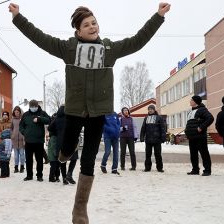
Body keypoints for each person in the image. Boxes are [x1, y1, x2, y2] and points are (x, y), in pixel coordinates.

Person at [9, 3, 170, 223]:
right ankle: (67, 149)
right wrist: (18, 17)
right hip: (75, 110)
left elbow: (137, 41)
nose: (92, 27)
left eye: (94, 22)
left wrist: (158, 16)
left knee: (88, 159)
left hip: (98, 113)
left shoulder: (109, 50)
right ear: (78, 31)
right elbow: (39, 38)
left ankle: (79, 209)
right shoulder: (69, 49)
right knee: (65, 149)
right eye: (86, 25)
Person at [19, 99, 50, 182]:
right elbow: (21, 126)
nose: (33, 108)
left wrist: (40, 119)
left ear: (37, 106)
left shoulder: (42, 113)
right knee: (28, 159)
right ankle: (29, 175)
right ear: (29, 107)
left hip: (39, 141)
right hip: (28, 141)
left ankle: (39, 175)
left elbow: (49, 120)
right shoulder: (25, 114)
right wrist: (24, 132)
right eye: (32, 106)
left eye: (35, 106)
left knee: (39, 159)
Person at [185, 95, 214, 176]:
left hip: (200, 137)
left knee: (204, 154)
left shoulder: (202, 109)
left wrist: (201, 127)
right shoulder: (191, 111)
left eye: (191, 100)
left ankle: (207, 170)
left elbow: (210, 118)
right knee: (193, 154)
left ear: (195, 101)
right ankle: (195, 170)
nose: (190, 101)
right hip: (192, 137)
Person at [140, 105, 166, 172]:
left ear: (154, 110)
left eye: (151, 109)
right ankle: (147, 168)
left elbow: (163, 128)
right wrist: (142, 137)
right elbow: (143, 129)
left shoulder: (159, 118)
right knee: (148, 154)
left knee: (158, 154)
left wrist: (163, 137)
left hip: (157, 139)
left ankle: (160, 168)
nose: (150, 110)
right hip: (148, 140)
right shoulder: (146, 118)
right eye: (149, 109)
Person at [47, 106, 69, 185]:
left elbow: (49, 128)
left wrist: (57, 132)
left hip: (59, 142)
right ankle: (66, 177)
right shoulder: (68, 119)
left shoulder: (57, 119)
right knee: (66, 161)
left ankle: (63, 178)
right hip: (66, 141)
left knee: (61, 161)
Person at [11, 106, 25, 173]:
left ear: (20, 113)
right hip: (15, 140)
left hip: (22, 140)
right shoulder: (13, 120)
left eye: (18, 112)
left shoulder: (22, 119)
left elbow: (25, 127)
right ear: (14, 112)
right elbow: (11, 128)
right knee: (16, 156)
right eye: (15, 112)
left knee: (22, 154)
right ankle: (16, 167)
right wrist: (12, 135)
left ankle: (22, 166)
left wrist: (23, 135)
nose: (16, 113)